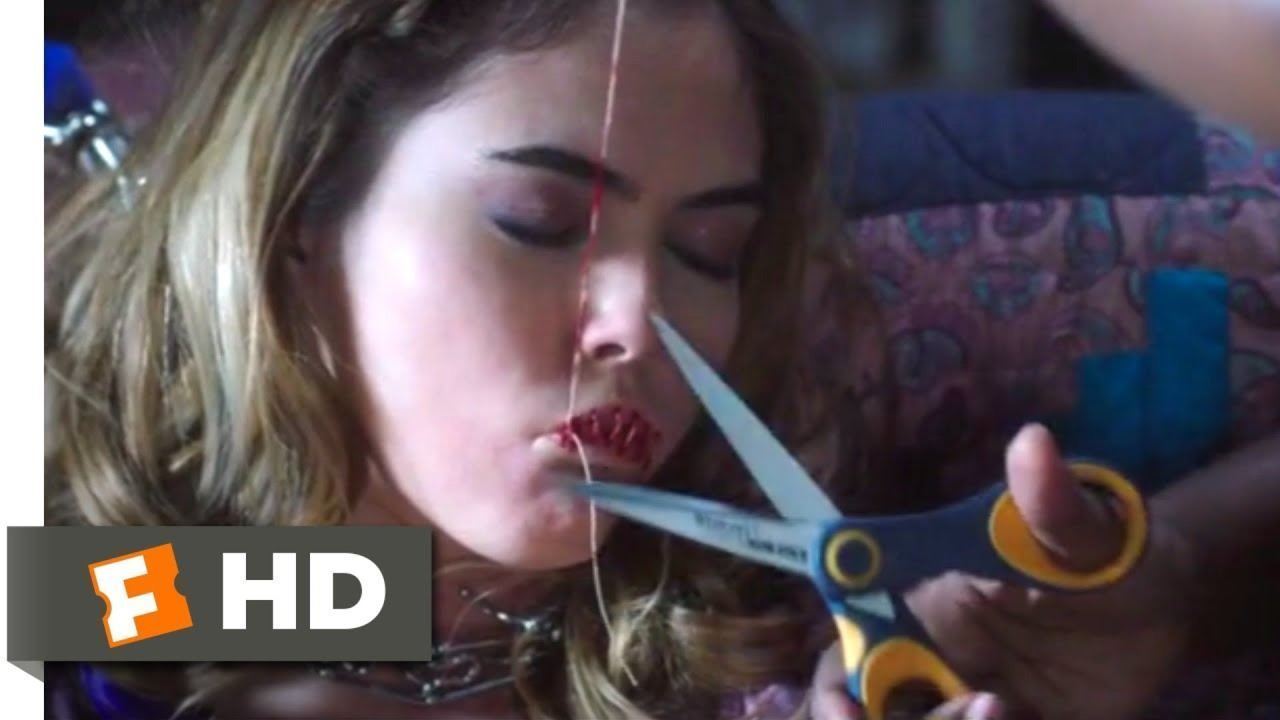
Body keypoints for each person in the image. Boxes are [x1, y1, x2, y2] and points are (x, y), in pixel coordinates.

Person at [46, 1, 859, 717]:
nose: (639, 325)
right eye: (536, 220)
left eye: (710, 251)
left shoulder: (773, 633)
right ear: (297, 206)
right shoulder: (95, 591)